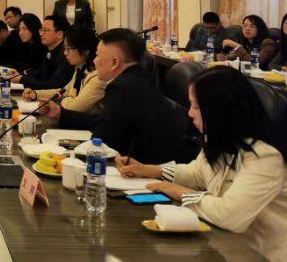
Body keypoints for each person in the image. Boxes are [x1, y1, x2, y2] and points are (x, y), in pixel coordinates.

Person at [118, 66, 287, 261]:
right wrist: (150, 170)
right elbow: (197, 173)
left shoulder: (265, 155)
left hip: (264, 254)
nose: (190, 113)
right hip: (226, 245)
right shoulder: (222, 138)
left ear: (220, 110)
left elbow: (230, 216)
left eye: (196, 107)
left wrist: (181, 192)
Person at [40, 28, 195, 164]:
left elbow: (103, 141)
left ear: (114, 63)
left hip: (154, 168)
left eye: (97, 55)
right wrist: (61, 114)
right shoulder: (136, 79)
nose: (94, 61)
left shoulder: (122, 87)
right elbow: (105, 120)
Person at [23, 25, 105, 113]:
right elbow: (63, 92)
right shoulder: (80, 70)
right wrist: (35, 94)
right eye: (65, 48)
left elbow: (73, 107)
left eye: (68, 49)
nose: (65, 53)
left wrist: (66, 98)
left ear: (85, 50)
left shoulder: (97, 78)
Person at [16, 15, 71, 90]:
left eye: (46, 30)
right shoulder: (49, 51)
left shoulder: (67, 54)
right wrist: (19, 75)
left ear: (60, 34)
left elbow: (54, 84)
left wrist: (22, 79)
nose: (41, 34)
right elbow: (41, 73)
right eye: (41, 30)